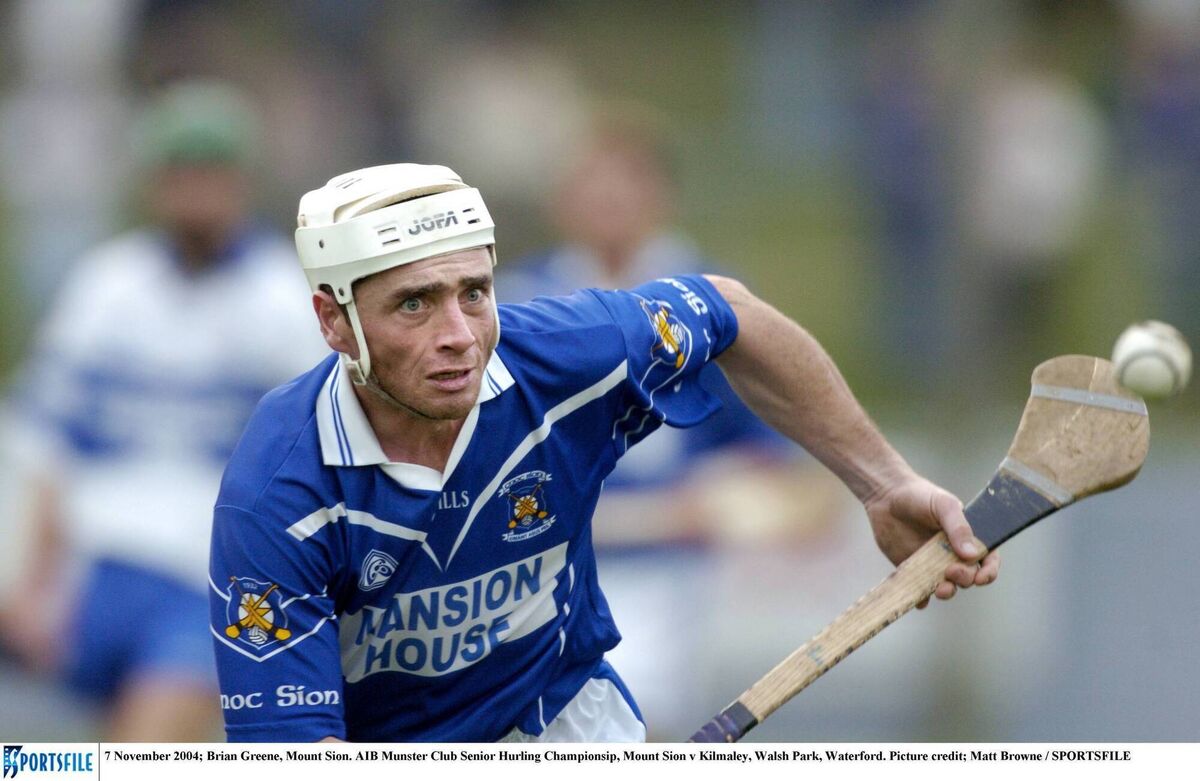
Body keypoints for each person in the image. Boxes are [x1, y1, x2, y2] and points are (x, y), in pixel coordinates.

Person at [208, 162, 999, 743]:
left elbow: (732, 313)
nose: (459, 336)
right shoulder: (279, 493)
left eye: (473, 292)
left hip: (565, 723)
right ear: (334, 321)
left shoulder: (572, 354)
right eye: (413, 303)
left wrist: (883, 484)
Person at [497, 110, 844, 737]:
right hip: (543, 570)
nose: (609, 199)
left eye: (626, 180)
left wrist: (747, 498)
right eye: (592, 182)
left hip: (666, 576)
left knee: (635, 723)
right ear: (561, 199)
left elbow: (767, 445)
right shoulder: (521, 304)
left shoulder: (708, 304)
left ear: (661, 193)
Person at [0, 80, 326, 741]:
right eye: (180, 172)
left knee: (143, 749)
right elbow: (46, 441)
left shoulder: (282, 300)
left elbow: (309, 466)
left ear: (240, 181)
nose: (195, 190)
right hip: (95, 566)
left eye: (211, 172)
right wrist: (30, 582)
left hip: (204, 574)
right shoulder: (107, 283)